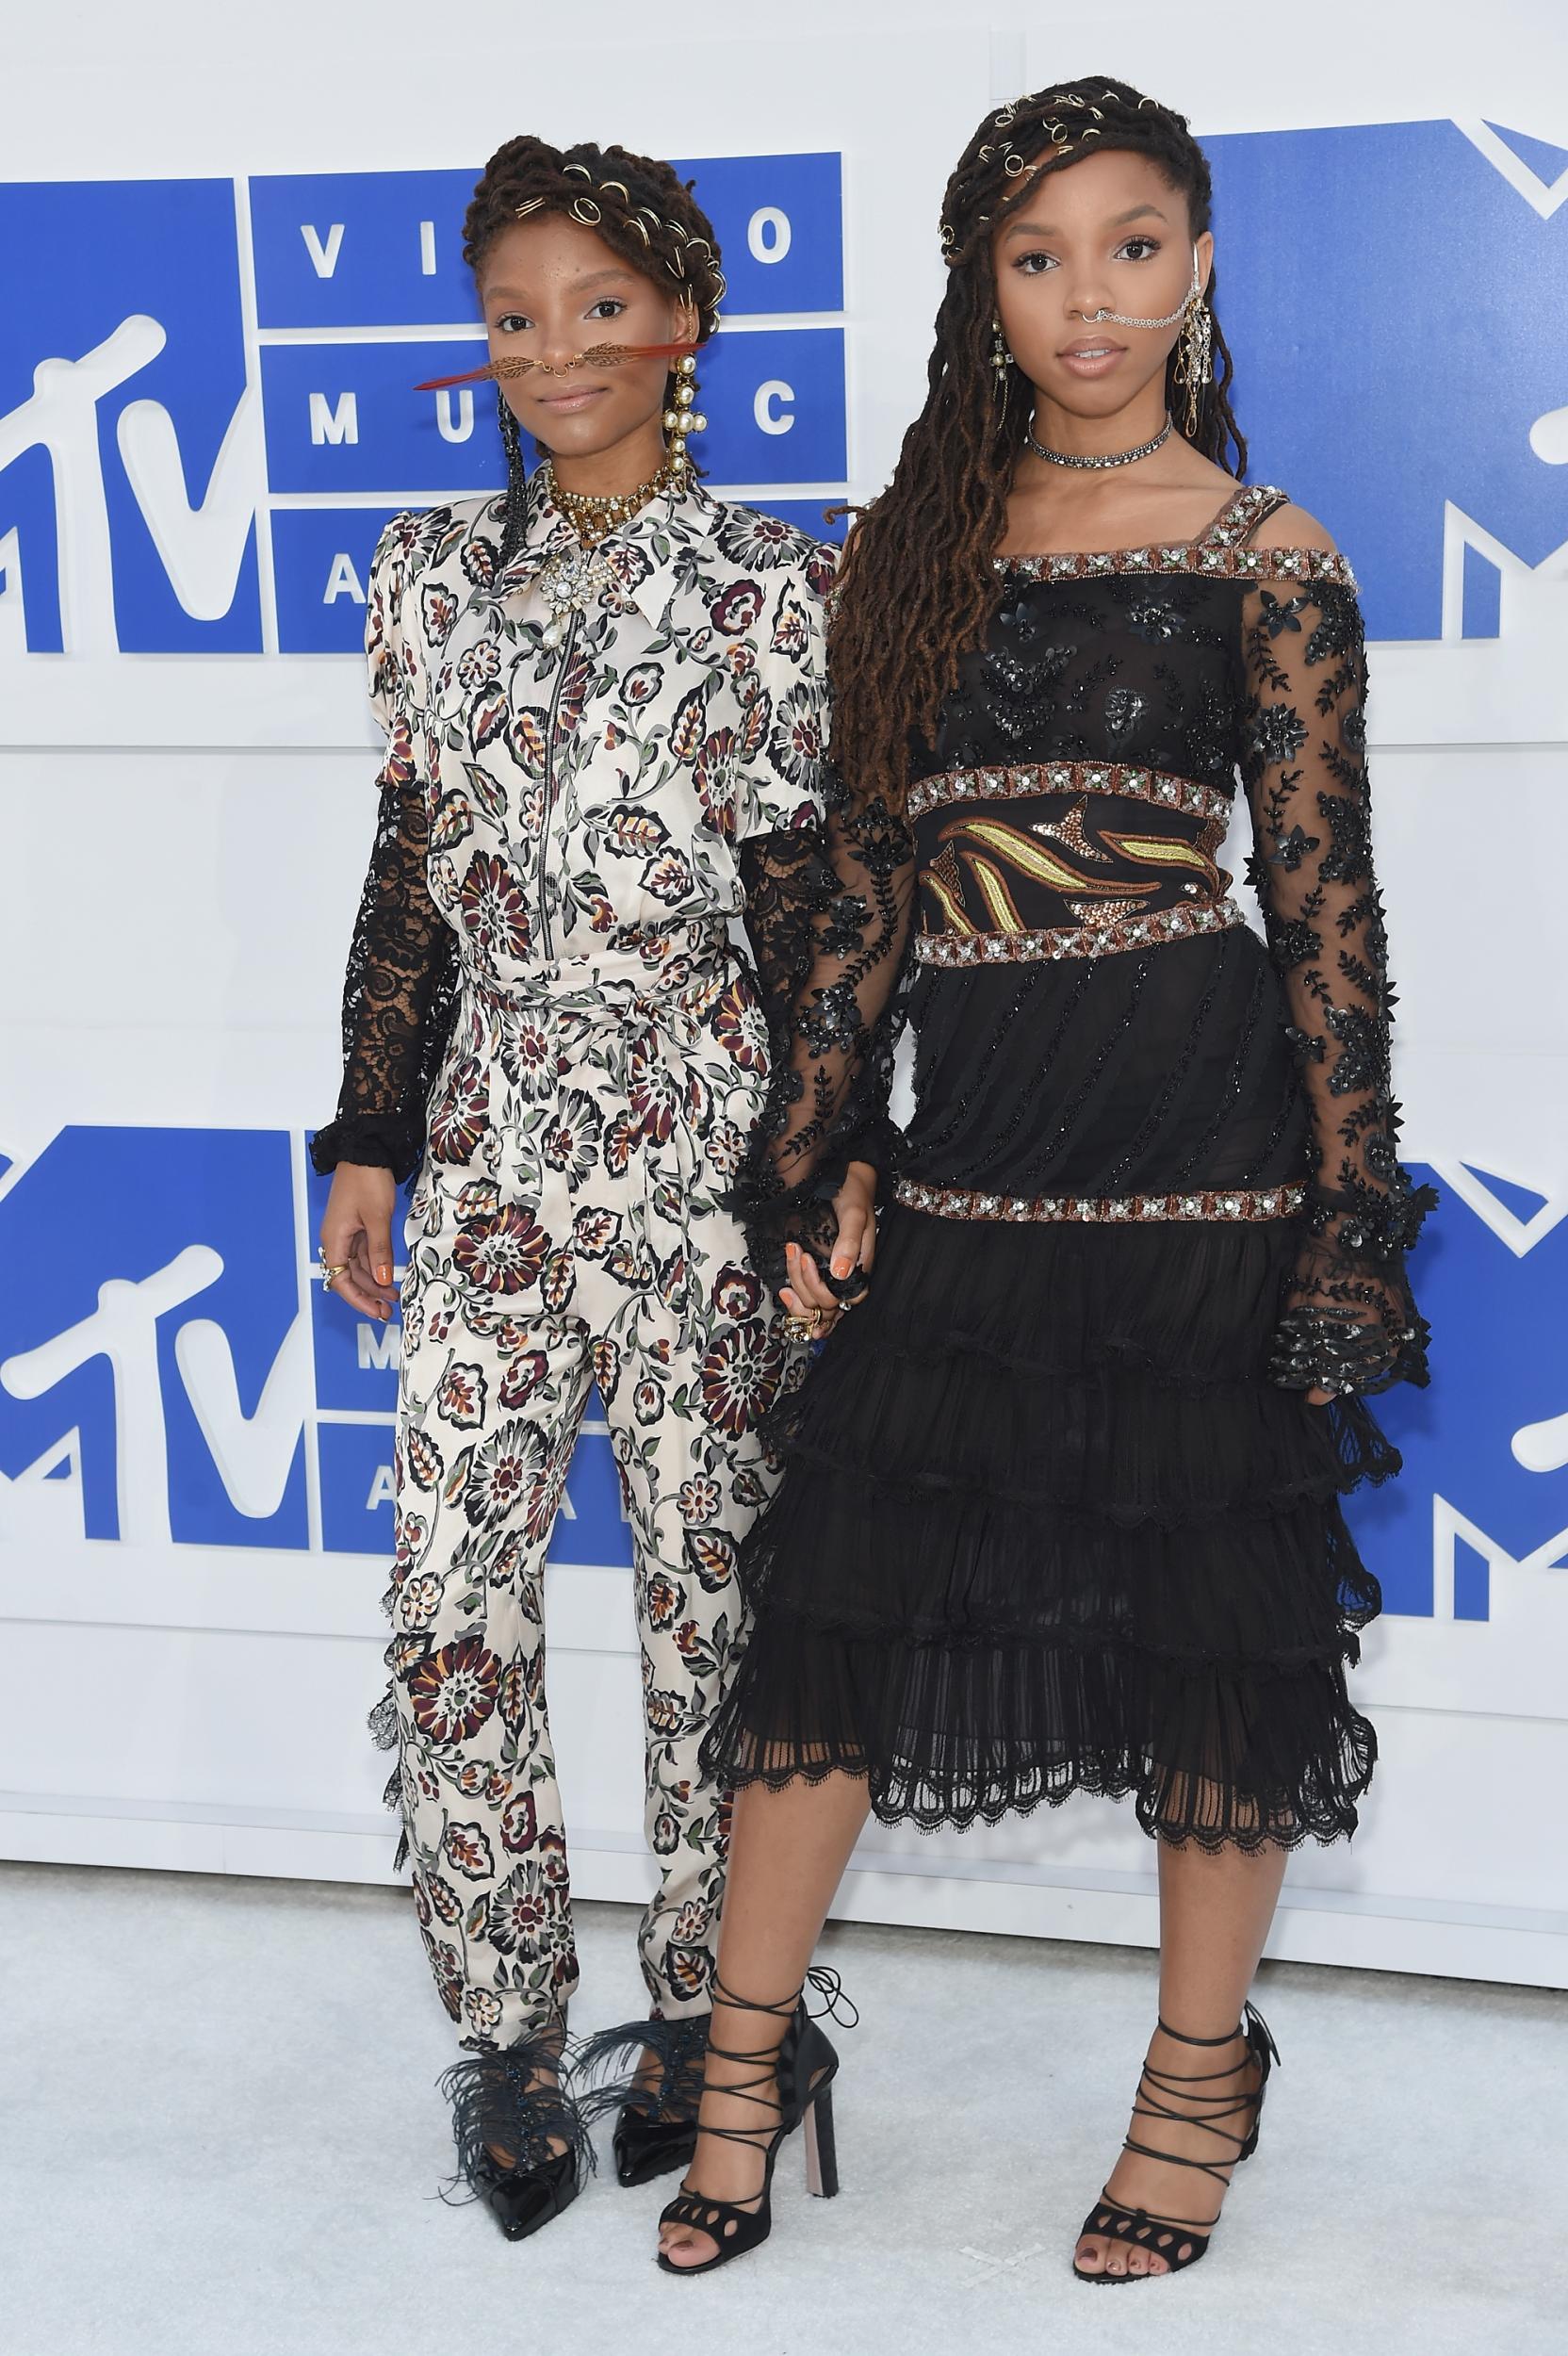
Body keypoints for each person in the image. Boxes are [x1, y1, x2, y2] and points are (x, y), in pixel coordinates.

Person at [650, 76, 1431, 2283]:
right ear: (978, 289)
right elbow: (861, 892)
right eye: (1034, 254)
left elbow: (1325, 906)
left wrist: (1347, 1207)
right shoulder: (908, 543)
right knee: (826, 1629)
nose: (1085, 297)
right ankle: (740, 2060)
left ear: (1196, 265)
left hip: (1200, 1168)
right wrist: (822, 1146)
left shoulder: (1268, 552)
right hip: (978, 1160)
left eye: (1129, 245)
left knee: (1216, 1643)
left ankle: (1197, 2085)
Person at [310, 133, 838, 2243]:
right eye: (513, 316)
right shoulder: (424, 568)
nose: (554, 351)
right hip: (496, 1136)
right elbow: (407, 886)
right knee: (451, 1591)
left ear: (681, 324)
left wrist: (817, 1169)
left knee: (715, 1607)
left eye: (596, 307)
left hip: (706, 1147)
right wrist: (365, 1132)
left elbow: (812, 910)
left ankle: (725, 2018)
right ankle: (508, 2025)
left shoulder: (776, 583)